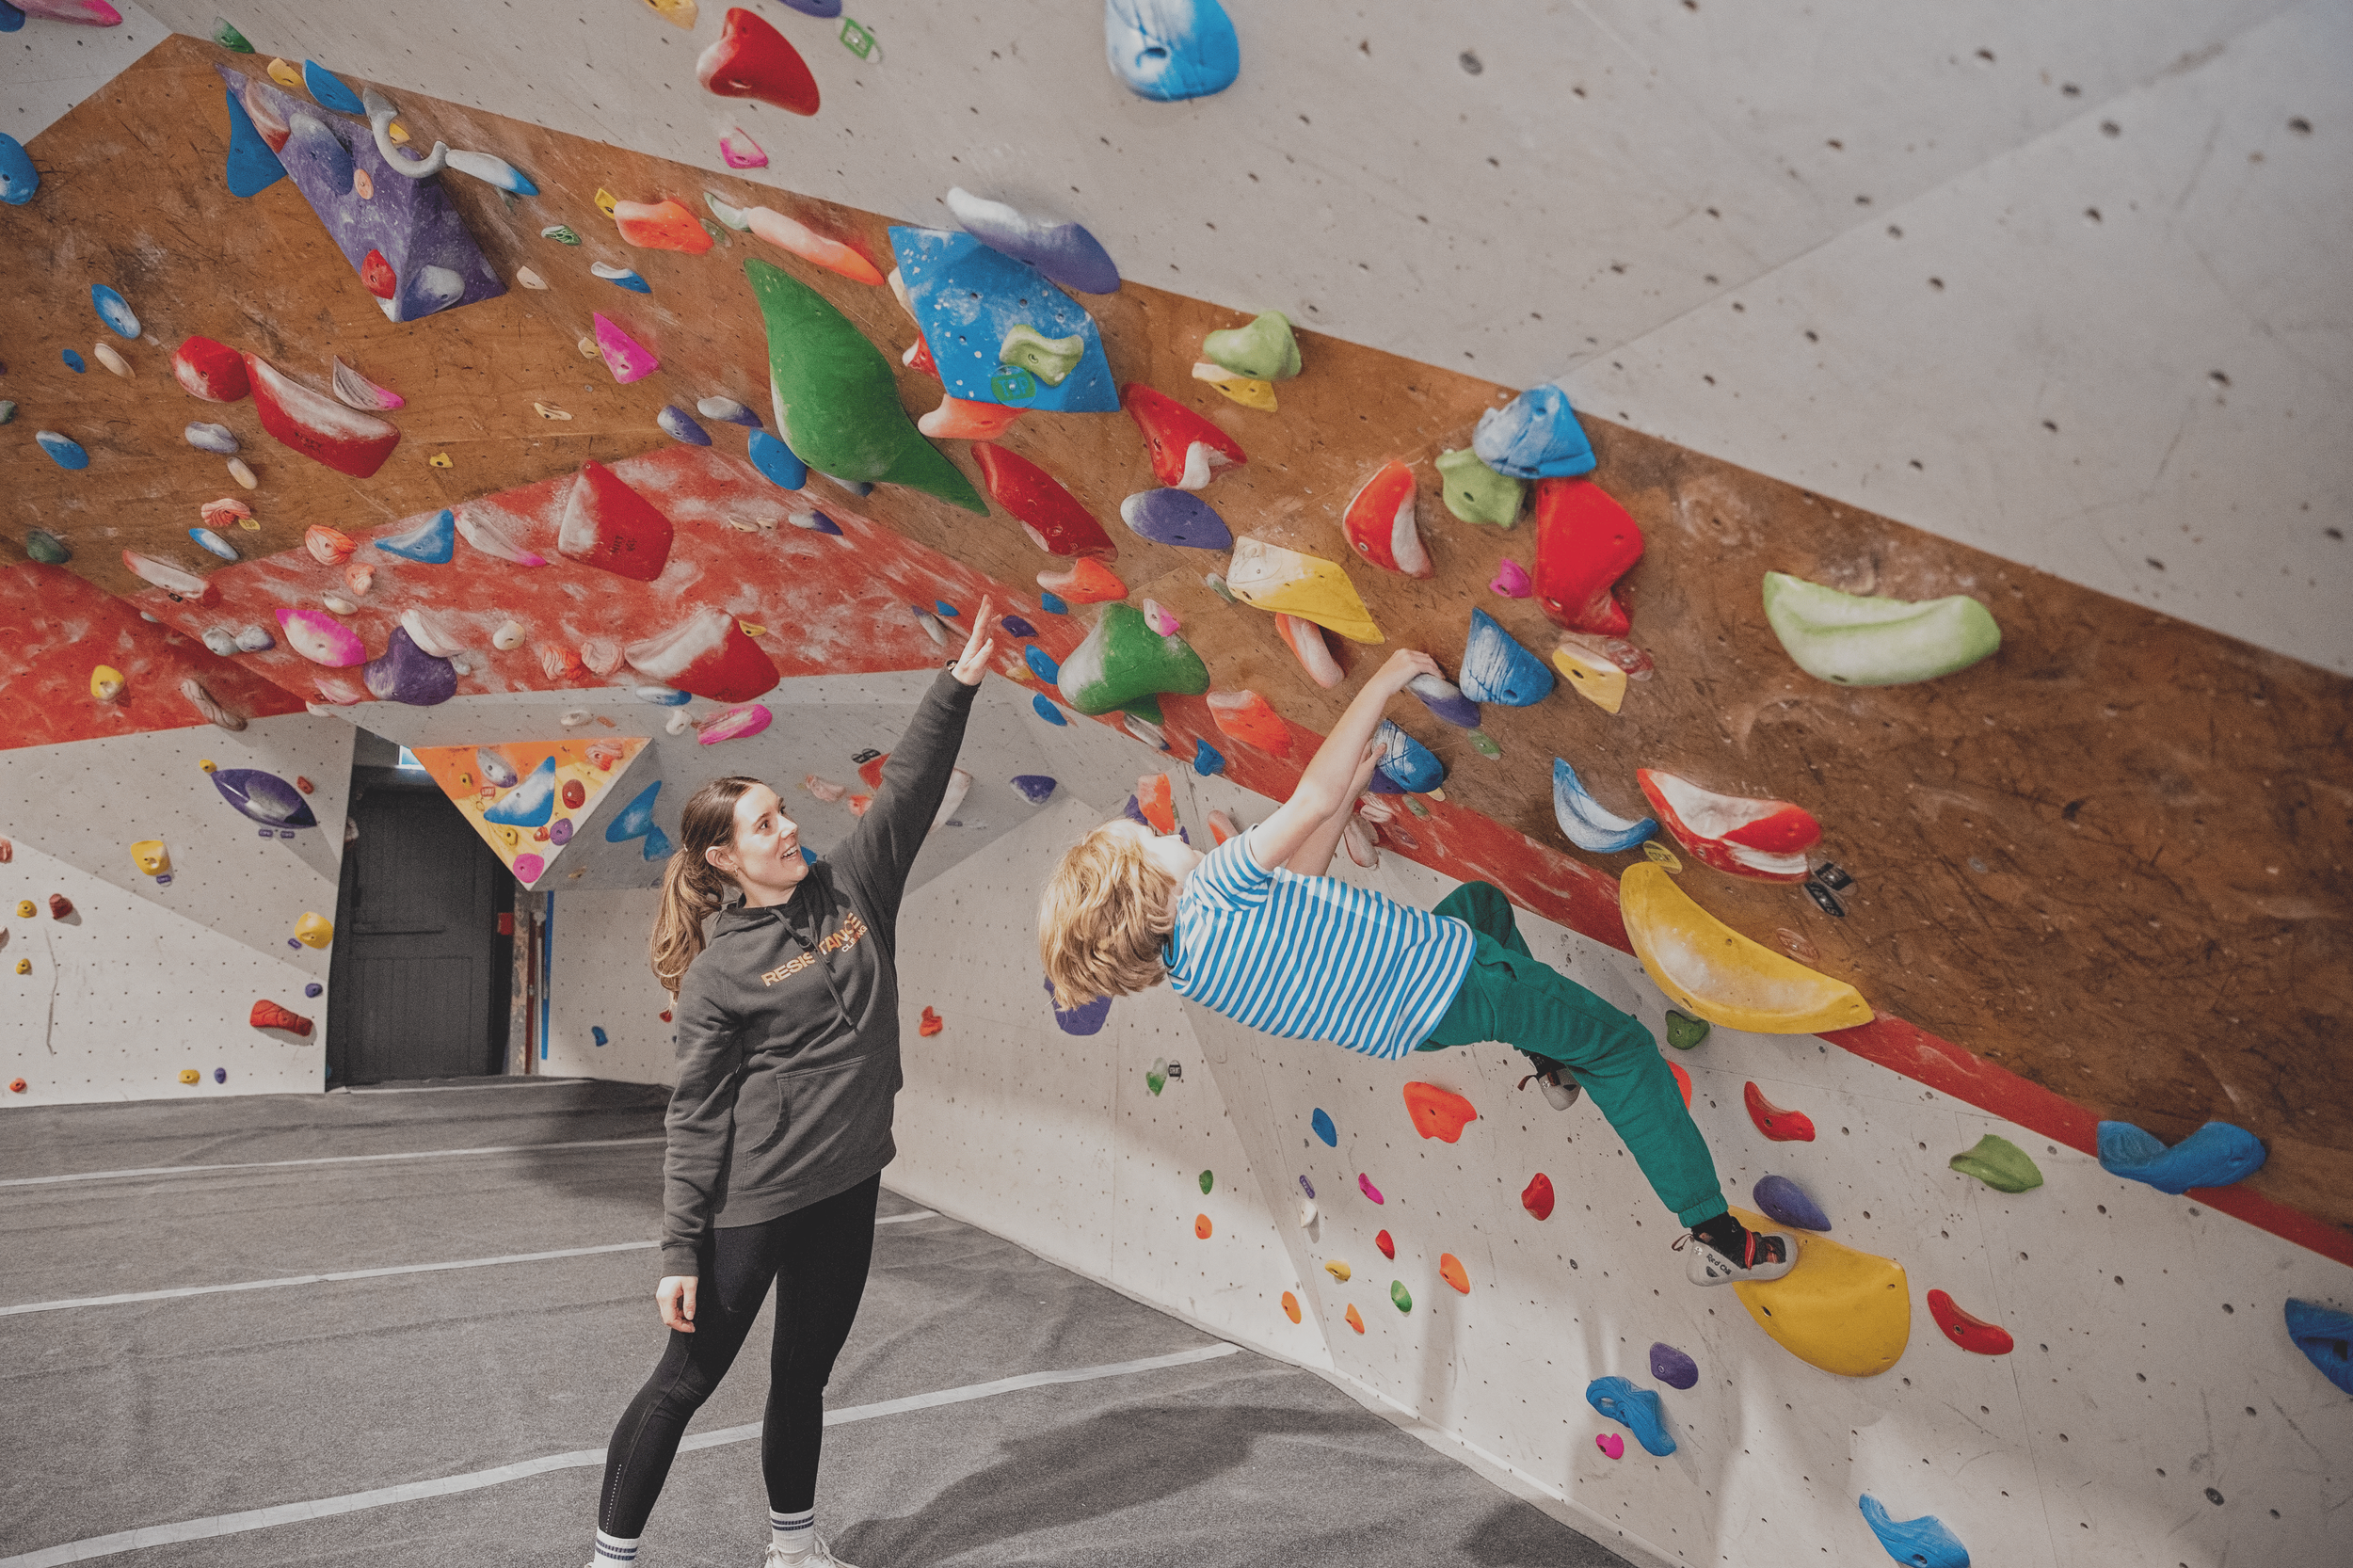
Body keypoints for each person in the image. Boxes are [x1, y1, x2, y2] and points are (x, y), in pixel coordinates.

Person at [1036, 646, 1796, 1288]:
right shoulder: (1211, 890)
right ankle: (1717, 1234)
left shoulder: (1193, 967)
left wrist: (1347, 799)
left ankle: (1548, 1059)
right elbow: (1309, 797)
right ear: (1149, 891)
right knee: (1623, 1050)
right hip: (1460, 981)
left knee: (1481, 906)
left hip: (1416, 1022)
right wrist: (1387, 678)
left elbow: (1300, 881)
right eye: (1150, 842)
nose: (1163, 833)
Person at [588, 600, 998, 1568]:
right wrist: (679, 1250)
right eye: (765, 823)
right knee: (685, 1382)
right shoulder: (719, 973)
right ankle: (609, 1559)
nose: (788, 827)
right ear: (724, 858)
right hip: (753, 1202)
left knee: (803, 1375)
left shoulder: (854, 887)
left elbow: (907, 788)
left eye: (783, 812)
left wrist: (958, 684)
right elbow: (695, 1117)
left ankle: (793, 1549)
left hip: (847, 1185)